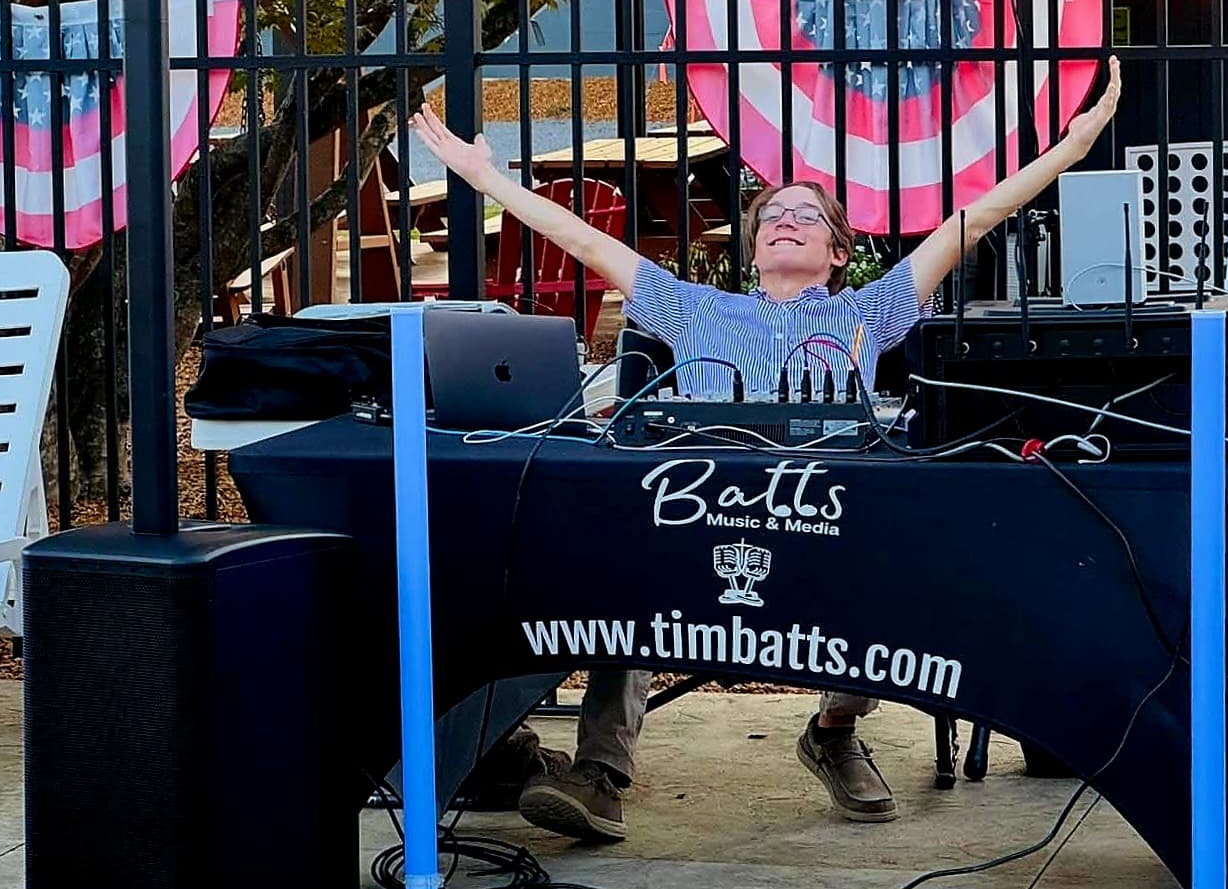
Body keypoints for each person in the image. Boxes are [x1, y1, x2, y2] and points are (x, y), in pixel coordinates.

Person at [411, 56, 1122, 839]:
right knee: (621, 575)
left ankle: (833, 731)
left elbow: (972, 222)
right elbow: (576, 236)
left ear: (839, 251)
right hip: (694, 527)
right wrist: (484, 176)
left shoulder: (872, 308)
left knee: (888, 567)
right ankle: (599, 774)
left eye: (806, 216)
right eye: (771, 215)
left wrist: (1069, 149)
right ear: (751, 248)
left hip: (826, 529)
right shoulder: (689, 307)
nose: (784, 219)